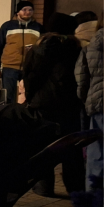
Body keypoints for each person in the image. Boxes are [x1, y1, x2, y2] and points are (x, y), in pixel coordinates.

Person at [24, 33, 84, 196]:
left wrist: (31, 98)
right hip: (69, 105)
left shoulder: (36, 50)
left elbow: (29, 77)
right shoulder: (76, 49)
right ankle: (75, 187)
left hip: (42, 104)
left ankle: (43, 186)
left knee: (43, 146)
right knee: (72, 147)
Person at [0, 0, 44, 104]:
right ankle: (9, 117)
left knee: (28, 96)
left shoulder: (38, 27)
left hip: (29, 67)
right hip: (10, 67)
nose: (27, 12)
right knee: (8, 97)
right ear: (18, 12)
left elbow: (43, 47)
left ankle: (24, 117)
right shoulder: (7, 26)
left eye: (30, 10)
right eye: (24, 9)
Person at [76, 27, 103, 193]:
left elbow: (81, 77)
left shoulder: (91, 45)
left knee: (96, 152)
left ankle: (94, 195)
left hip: (98, 102)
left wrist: (86, 98)